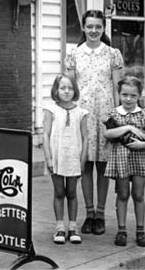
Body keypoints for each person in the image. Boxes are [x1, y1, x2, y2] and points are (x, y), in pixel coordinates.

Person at [65, 9, 123, 235]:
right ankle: (88, 214)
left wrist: (119, 117)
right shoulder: (74, 54)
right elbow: (68, 88)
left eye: (98, 26)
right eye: (89, 26)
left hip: (106, 117)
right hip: (83, 116)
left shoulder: (112, 54)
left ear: (103, 28)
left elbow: (118, 88)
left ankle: (100, 214)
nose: (93, 30)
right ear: (83, 27)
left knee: (102, 166)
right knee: (85, 165)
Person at [103, 75, 145, 247]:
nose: (128, 99)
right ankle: (121, 230)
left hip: (140, 159)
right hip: (120, 160)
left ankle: (140, 231)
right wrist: (128, 127)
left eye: (133, 96)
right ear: (119, 94)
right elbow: (107, 134)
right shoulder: (113, 114)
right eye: (125, 94)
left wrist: (141, 145)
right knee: (122, 194)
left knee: (139, 195)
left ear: (139, 95)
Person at [43, 73, 88, 245]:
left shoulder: (81, 112)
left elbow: (85, 138)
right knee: (59, 192)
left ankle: (73, 227)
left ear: (75, 90)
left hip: (73, 158)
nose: (67, 91)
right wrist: (48, 158)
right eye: (62, 88)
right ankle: (60, 227)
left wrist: (82, 159)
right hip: (56, 157)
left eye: (70, 88)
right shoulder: (50, 110)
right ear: (56, 90)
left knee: (71, 192)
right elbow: (45, 135)